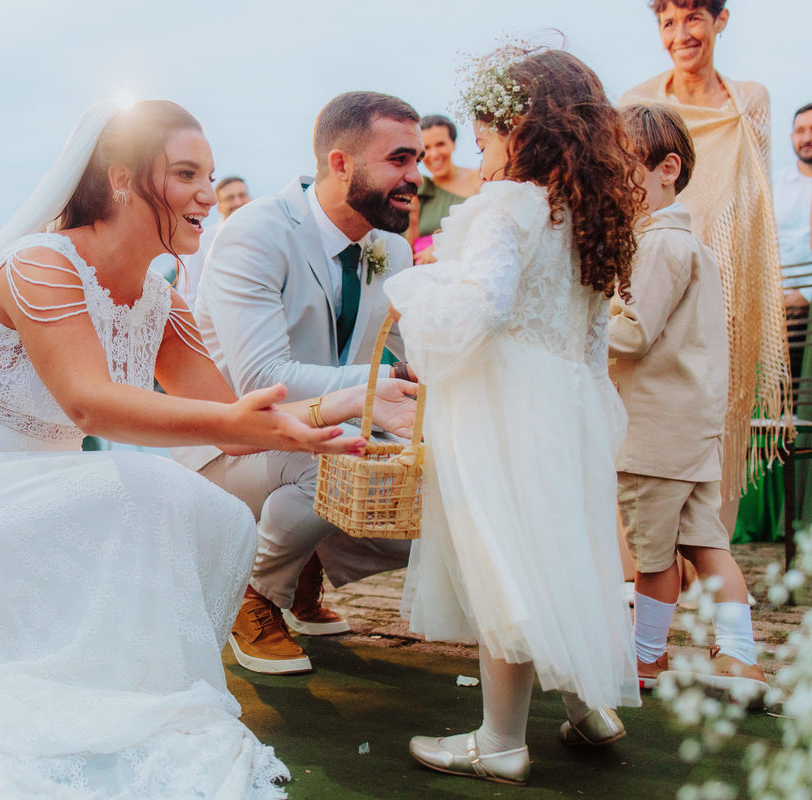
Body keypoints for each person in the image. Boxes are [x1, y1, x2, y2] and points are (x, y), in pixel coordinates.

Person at [0, 101, 420, 800]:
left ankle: (116, 693)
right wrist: (250, 422)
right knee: (145, 490)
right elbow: (89, 402)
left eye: (212, 176)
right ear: (124, 180)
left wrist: (350, 403)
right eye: (187, 174)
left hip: (42, 483)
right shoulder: (41, 265)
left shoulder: (164, 301)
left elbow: (229, 417)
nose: (207, 195)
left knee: (208, 509)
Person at [388, 48, 641, 786]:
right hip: (568, 400)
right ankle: (590, 706)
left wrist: (415, 289)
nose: (481, 149)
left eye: (489, 131)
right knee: (561, 551)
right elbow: (593, 341)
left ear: (524, 128)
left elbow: (483, 307)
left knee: (503, 557)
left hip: (500, 403)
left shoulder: (507, 205)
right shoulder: (588, 217)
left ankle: (500, 740)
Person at [178, 91, 422, 675]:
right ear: (341, 164)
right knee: (337, 458)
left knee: (432, 486)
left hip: (320, 431)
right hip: (229, 446)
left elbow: (414, 353)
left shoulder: (391, 247)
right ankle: (254, 593)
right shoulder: (255, 232)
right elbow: (263, 378)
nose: (417, 176)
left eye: (417, 160)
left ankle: (302, 564)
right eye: (399, 160)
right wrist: (383, 381)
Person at [612, 103, 766, 697]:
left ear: (666, 169)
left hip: (654, 431)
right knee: (708, 545)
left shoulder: (659, 246)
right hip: (692, 426)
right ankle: (740, 657)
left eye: (622, 170)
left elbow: (634, 333)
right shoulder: (689, 245)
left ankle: (647, 657)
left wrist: (587, 318)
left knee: (654, 556)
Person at [620, 0, 790, 536]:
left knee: (722, 408)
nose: (680, 34)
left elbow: (755, 197)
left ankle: (710, 565)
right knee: (648, 399)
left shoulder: (750, 101)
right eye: (667, 22)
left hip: (728, 278)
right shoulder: (638, 101)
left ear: (720, 21)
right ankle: (647, 564)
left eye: (693, 17)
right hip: (653, 272)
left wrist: (743, 274)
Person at [410, 114, 480, 264]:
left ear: (453, 144)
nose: (434, 154)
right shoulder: (418, 189)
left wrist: (443, 248)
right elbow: (406, 250)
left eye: (440, 144)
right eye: (426, 148)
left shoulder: (479, 178)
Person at [178, 175, 250, 306]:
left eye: (242, 195)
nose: (238, 202)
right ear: (219, 206)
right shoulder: (203, 241)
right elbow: (188, 294)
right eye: (230, 198)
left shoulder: (264, 234)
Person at [776, 103, 812, 294]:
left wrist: (806, 296)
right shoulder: (773, 186)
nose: (807, 138)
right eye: (800, 131)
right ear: (792, 137)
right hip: (780, 304)